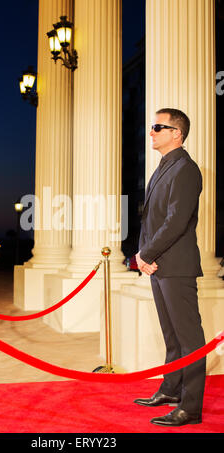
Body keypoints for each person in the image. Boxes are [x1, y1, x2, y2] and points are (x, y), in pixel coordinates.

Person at [135, 108, 206, 427]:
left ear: (176, 133)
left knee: (189, 339)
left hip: (176, 265)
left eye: (157, 127)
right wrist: (143, 254)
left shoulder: (186, 169)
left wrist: (145, 254)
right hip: (158, 263)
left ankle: (190, 407)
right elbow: (150, 217)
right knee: (172, 336)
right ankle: (170, 389)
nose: (151, 131)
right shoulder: (165, 167)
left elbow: (176, 222)